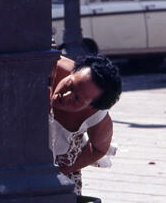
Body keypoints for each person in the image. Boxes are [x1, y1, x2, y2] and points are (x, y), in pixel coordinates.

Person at [49, 53, 122, 195]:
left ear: (92, 107)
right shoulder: (52, 65)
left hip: (60, 161)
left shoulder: (98, 117)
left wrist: (64, 169)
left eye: (77, 99)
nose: (65, 96)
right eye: (69, 84)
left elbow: (99, 149)